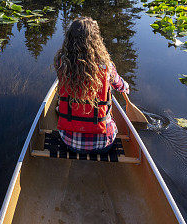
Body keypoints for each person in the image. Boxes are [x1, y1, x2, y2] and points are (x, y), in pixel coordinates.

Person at [54, 16, 130, 154]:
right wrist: (126, 87)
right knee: (108, 96)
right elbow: (120, 86)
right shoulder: (107, 66)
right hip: (103, 144)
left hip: (69, 142)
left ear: (69, 38)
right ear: (96, 40)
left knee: (59, 105)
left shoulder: (62, 63)